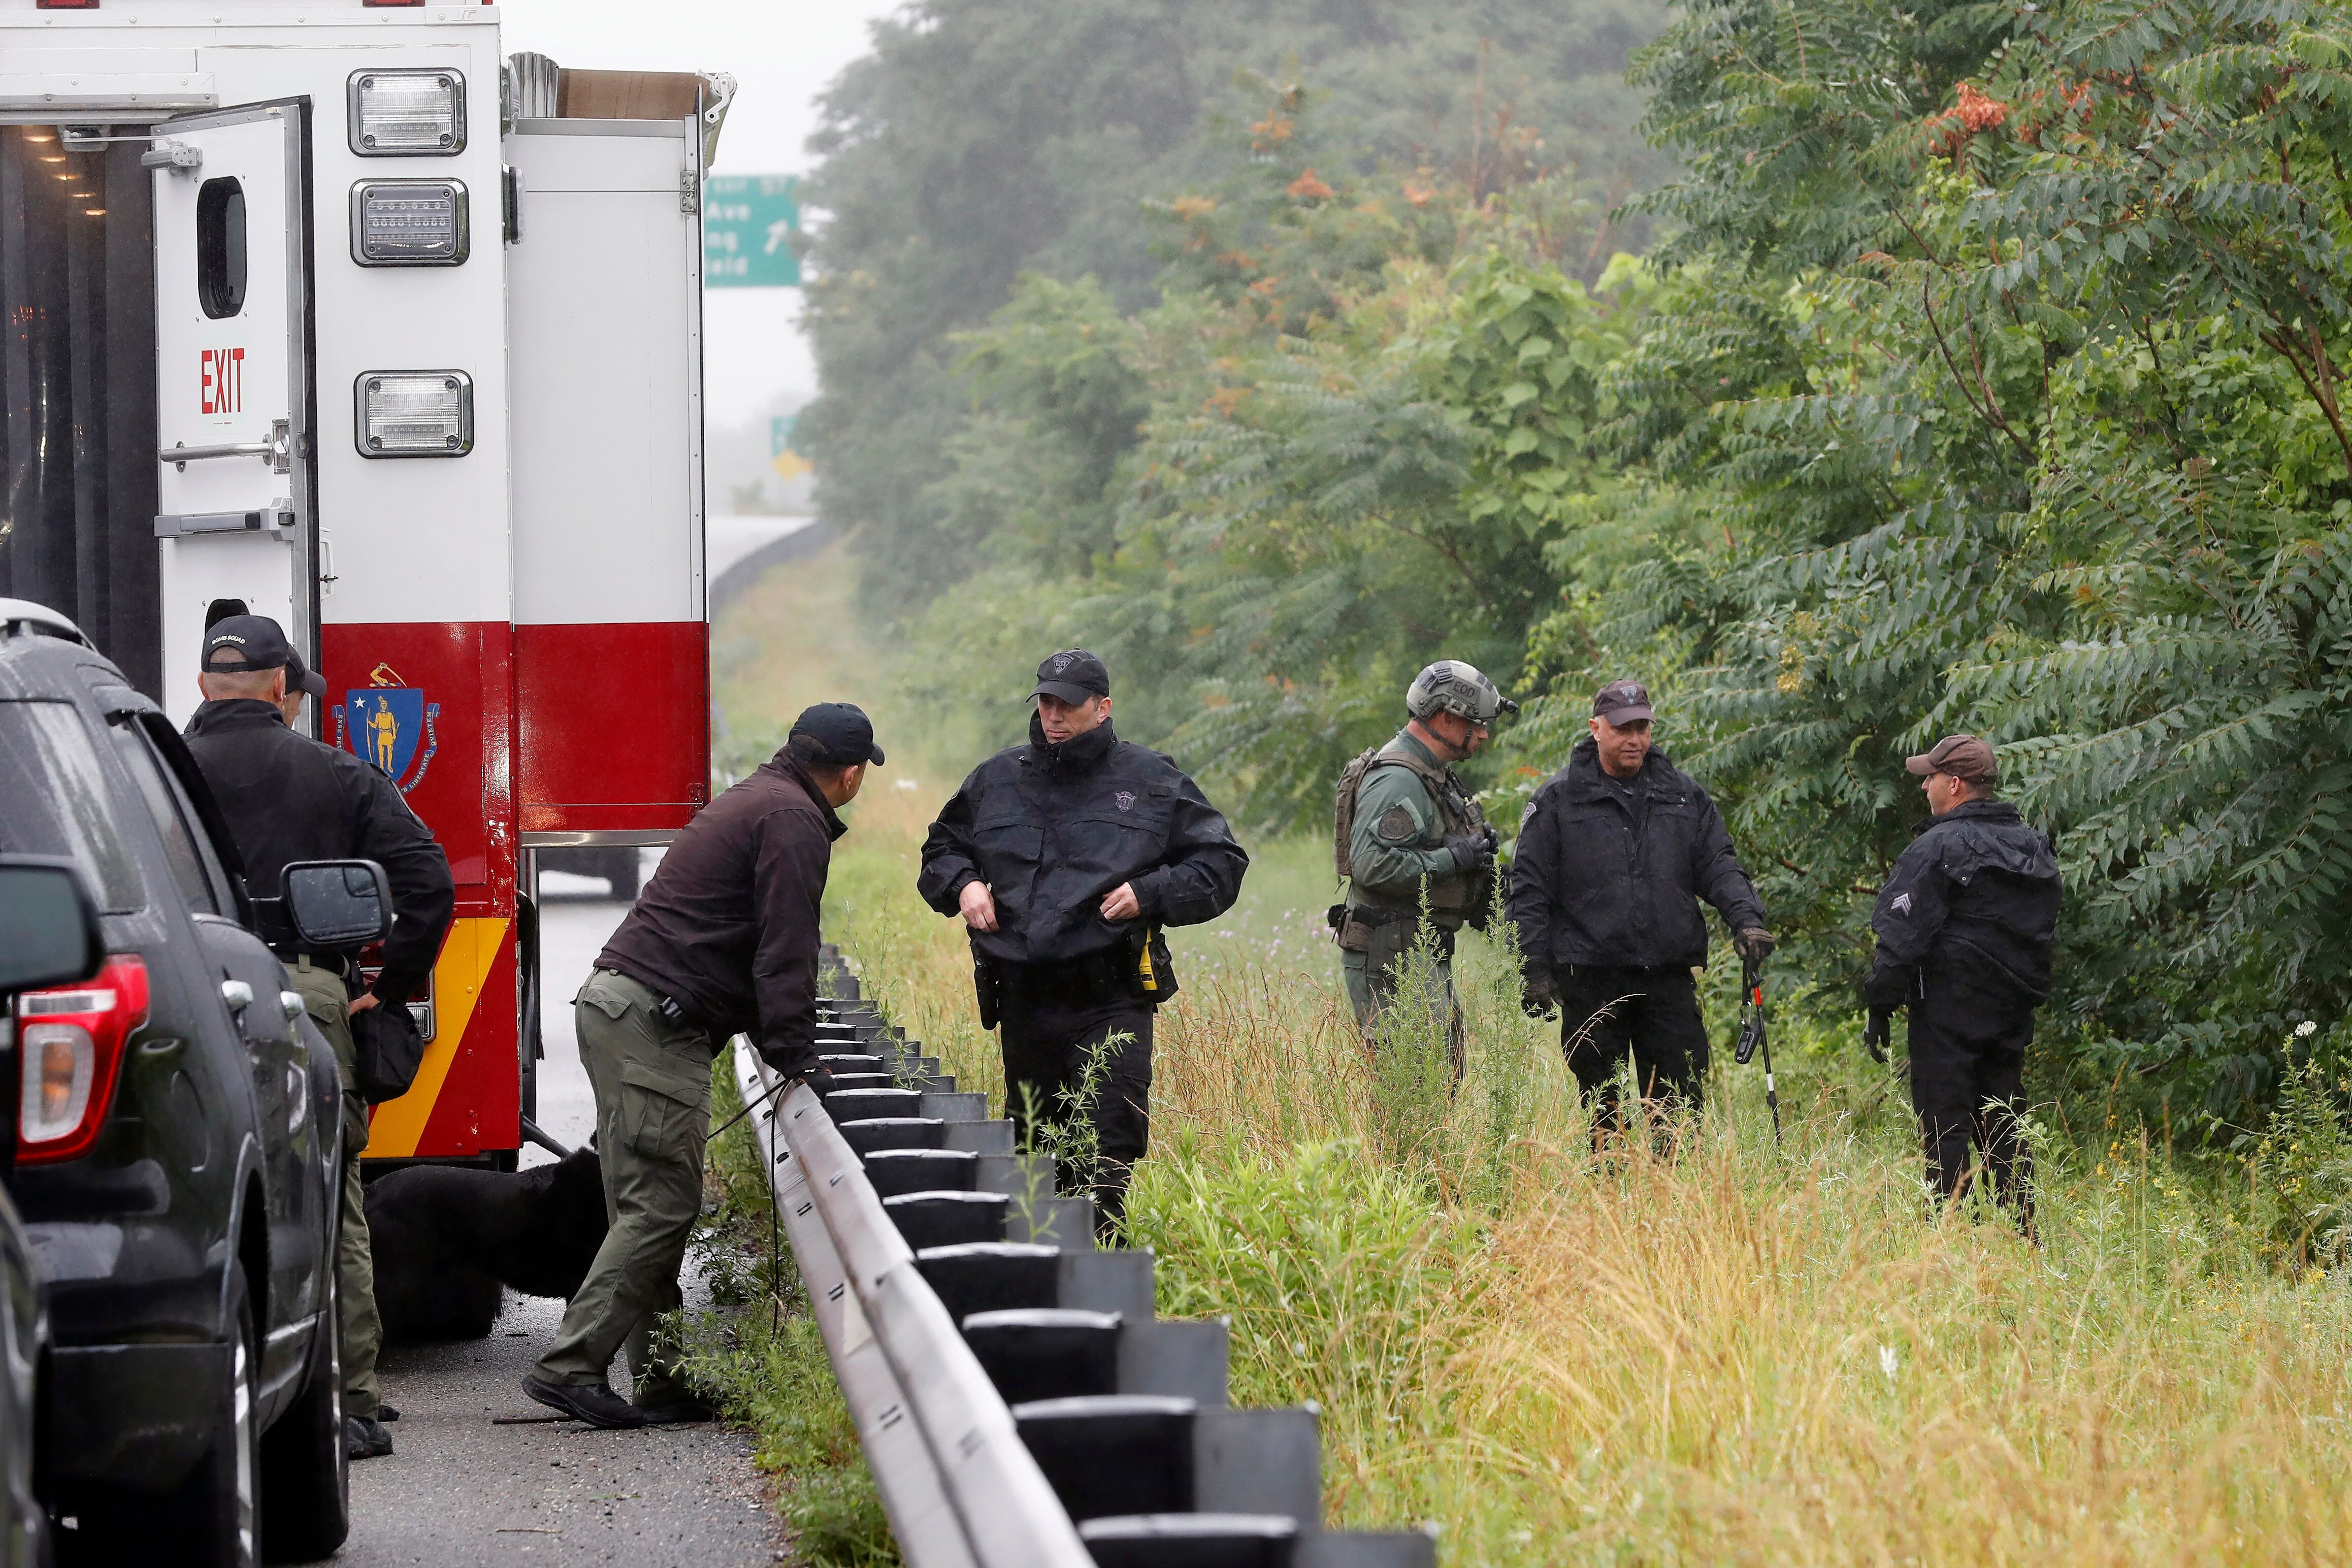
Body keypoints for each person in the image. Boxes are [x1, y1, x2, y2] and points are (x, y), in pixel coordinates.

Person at [521, 702, 879, 1430]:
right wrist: (796, 1053)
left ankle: (659, 1379)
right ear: (849, 774)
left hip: (624, 1010)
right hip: (653, 1023)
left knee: (644, 1204)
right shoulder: (793, 821)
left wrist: (778, 1035)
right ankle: (570, 1367)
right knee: (660, 1204)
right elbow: (785, 946)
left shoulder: (761, 798)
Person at [182, 615, 455, 1462]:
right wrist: (392, 986)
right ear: (279, 686)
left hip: (187, 994)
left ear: (202, 686)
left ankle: (203, 1405)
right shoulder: (336, 770)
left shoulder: (151, 773)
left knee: (199, 1195)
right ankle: (349, 1403)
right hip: (303, 994)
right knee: (328, 1196)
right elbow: (429, 881)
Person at [917, 651, 1247, 1227]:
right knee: (1039, 1161)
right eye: (1046, 701)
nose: (1053, 714)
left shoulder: (1152, 781)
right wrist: (965, 884)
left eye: (1068, 703)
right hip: (1025, 999)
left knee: (1104, 1157)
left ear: (1103, 708)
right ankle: (1044, 1286)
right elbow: (942, 850)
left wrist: (1151, 892)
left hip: (1111, 997)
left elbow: (1221, 863)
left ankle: (1108, 1276)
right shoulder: (996, 779)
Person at [1509, 679, 1773, 1132]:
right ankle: (1609, 1194)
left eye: (1642, 728)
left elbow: (1718, 865)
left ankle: (1674, 1196)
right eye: (1622, 729)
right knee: (1602, 1107)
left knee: (1680, 1106)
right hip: (1590, 976)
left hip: (1667, 975)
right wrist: (1531, 966)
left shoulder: (1683, 795)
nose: (1634, 740)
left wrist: (1747, 919)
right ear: (1596, 728)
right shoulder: (1558, 799)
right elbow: (1529, 887)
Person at [1862, 734, 2058, 1229]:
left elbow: (1900, 941)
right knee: (2007, 1130)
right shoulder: (2032, 846)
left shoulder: (1937, 846)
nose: (1924, 785)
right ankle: (2024, 1242)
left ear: (1954, 784)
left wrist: (1879, 1006)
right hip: (2010, 1022)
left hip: (1945, 1021)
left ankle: (1950, 1244)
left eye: (1929, 777)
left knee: (1945, 1134)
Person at [1331, 661, 1513, 1063]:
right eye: (1477, 724)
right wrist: (1452, 858)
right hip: (1392, 958)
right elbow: (1371, 865)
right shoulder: (1398, 780)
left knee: (1439, 1078)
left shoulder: (1432, 773)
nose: (1483, 734)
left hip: (1417, 953)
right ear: (1447, 719)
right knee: (1415, 1090)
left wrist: (1474, 856)